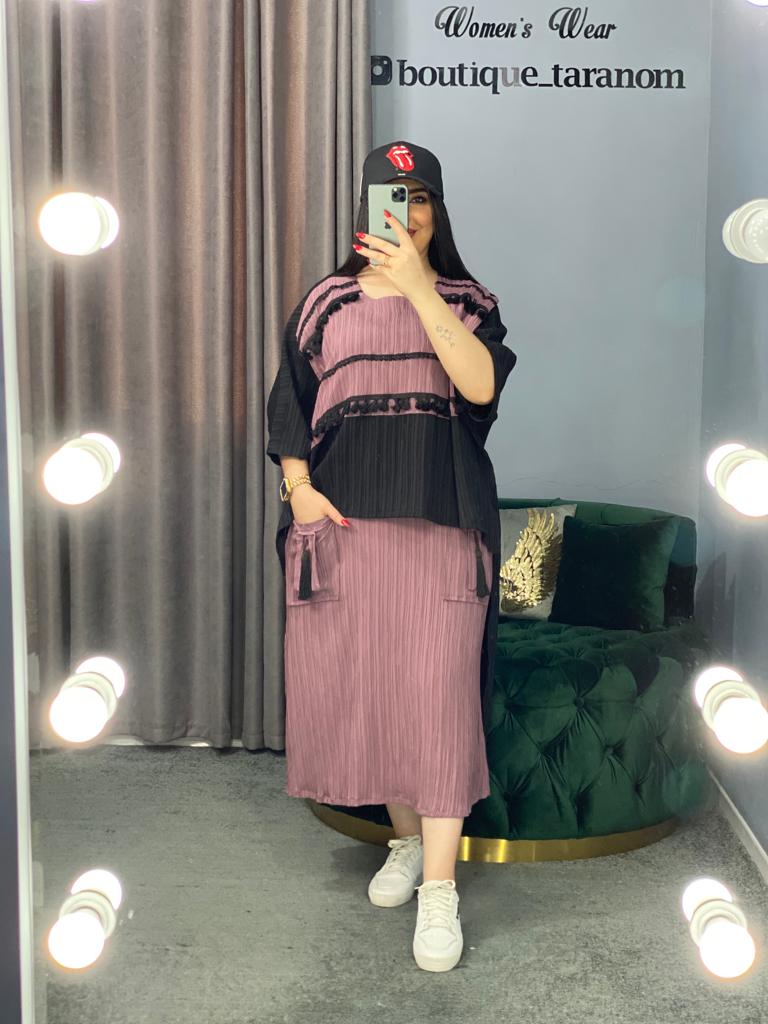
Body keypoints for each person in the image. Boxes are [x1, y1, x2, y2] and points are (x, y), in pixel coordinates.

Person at [266, 140, 517, 972]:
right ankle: (406, 845)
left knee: (438, 700)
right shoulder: (327, 302)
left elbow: (479, 386)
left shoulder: (467, 301)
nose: (406, 214)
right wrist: (298, 488)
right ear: (365, 208)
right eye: (391, 197)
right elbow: (291, 403)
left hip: (444, 525)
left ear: (438, 211)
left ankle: (440, 888)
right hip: (344, 531)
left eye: (421, 199)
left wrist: (416, 287)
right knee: (377, 694)